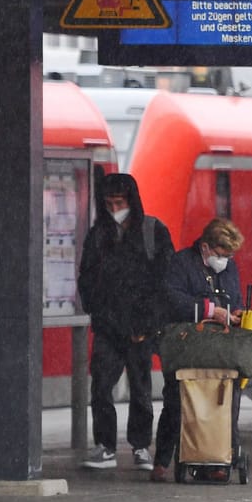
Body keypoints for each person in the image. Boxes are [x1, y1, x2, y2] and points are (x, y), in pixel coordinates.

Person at [76, 172, 172, 470]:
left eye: (119, 202)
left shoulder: (152, 231)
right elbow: (87, 278)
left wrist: (148, 323)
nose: (114, 209)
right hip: (108, 325)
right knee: (101, 387)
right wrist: (99, 314)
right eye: (108, 203)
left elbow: (164, 280)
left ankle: (140, 445)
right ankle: (106, 445)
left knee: (141, 388)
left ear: (131, 201)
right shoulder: (99, 234)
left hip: (141, 328)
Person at [154, 218, 245, 481]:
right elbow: (171, 298)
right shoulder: (181, 263)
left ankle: (220, 458)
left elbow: (235, 298)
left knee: (223, 399)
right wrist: (208, 310)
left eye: (229, 255)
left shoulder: (229, 267)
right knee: (176, 400)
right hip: (187, 344)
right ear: (205, 247)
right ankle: (163, 459)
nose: (225, 260)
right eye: (220, 254)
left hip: (220, 345)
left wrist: (235, 312)